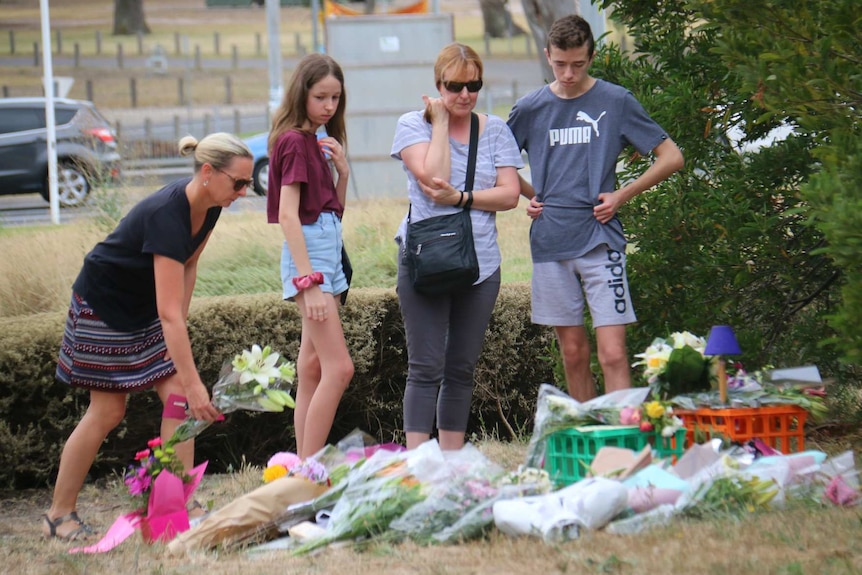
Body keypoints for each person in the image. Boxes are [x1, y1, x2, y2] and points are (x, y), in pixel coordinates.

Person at [42, 132, 253, 541]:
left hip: (146, 307)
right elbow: (168, 313)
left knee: (177, 399)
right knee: (108, 412)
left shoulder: (210, 205)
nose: (243, 192)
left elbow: (188, 267)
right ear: (208, 172)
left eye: (247, 184)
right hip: (103, 305)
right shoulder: (166, 215)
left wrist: (179, 332)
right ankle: (58, 514)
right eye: (238, 183)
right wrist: (194, 381)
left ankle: (178, 502)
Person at [508, 15, 684, 402]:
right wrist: (529, 194)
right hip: (551, 243)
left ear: (592, 56)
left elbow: (671, 156)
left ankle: (620, 443)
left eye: (578, 64)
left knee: (613, 353)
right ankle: (589, 439)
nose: (568, 74)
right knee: (573, 354)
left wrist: (622, 195)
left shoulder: (615, 100)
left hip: (601, 241)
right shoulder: (531, 107)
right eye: (559, 64)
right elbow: (495, 161)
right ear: (547, 56)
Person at [392, 42, 523, 450]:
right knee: (425, 366)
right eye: (455, 86)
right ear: (437, 85)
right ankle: (417, 463)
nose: (465, 95)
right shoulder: (413, 125)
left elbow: (510, 194)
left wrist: (464, 198)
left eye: (474, 86)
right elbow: (434, 180)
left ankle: (450, 458)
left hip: (480, 263)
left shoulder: (496, 129)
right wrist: (442, 123)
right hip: (425, 260)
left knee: (461, 368)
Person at [266, 53, 354, 459]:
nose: (329, 106)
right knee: (339, 369)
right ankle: (308, 468)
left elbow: (330, 212)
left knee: (313, 368)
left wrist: (343, 174)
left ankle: (303, 466)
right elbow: (288, 216)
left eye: (336, 98)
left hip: (326, 254)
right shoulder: (295, 143)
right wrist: (308, 282)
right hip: (312, 262)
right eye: (321, 97)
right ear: (302, 94)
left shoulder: (314, 142)